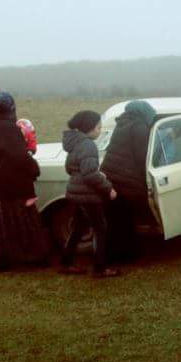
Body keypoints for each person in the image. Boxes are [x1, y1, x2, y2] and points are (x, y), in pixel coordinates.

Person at [0, 92, 50, 271]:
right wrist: (34, 169)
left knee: (0, 223)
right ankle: (33, 257)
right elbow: (19, 156)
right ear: (12, 108)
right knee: (25, 222)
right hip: (17, 183)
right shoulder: (10, 128)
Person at [60, 110, 119, 277]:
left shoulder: (75, 143)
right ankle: (100, 268)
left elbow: (69, 168)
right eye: (98, 127)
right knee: (100, 229)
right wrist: (109, 188)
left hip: (75, 192)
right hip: (87, 195)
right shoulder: (88, 145)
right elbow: (90, 174)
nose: (100, 131)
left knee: (78, 228)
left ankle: (66, 263)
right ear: (89, 128)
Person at [100, 100, 157, 263]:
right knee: (125, 221)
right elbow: (142, 157)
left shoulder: (123, 124)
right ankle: (124, 255)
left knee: (116, 220)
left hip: (112, 177)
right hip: (127, 181)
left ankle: (114, 254)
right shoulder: (139, 127)